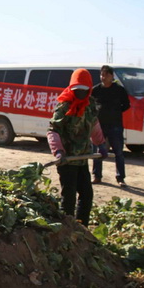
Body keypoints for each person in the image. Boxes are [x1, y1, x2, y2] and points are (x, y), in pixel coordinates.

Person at [47, 68, 108, 226]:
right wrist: (58, 151)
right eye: (77, 90)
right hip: (67, 160)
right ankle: (66, 228)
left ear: (88, 88)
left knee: (87, 194)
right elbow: (53, 130)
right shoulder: (64, 108)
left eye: (83, 89)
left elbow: (94, 126)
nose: (80, 92)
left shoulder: (89, 107)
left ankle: (81, 227)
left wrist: (101, 144)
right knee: (68, 197)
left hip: (81, 159)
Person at [91, 65, 131, 187]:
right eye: (102, 75)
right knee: (97, 152)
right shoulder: (95, 90)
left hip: (115, 125)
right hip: (99, 126)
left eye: (106, 75)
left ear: (112, 76)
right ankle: (97, 176)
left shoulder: (119, 90)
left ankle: (120, 178)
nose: (104, 77)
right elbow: (90, 105)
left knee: (118, 152)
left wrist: (115, 112)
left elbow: (126, 105)